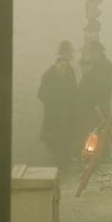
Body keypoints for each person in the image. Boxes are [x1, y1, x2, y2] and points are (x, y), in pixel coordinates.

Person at [38, 40, 78, 169]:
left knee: (65, 150)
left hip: (67, 119)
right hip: (55, 120)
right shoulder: (50, 74)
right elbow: (42, 94)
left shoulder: (70, 71)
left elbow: (73, 93)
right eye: (70, 52)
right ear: (64, 53)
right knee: (56, 152)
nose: (72, 55)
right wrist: (57, 102)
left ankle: (62, 173)